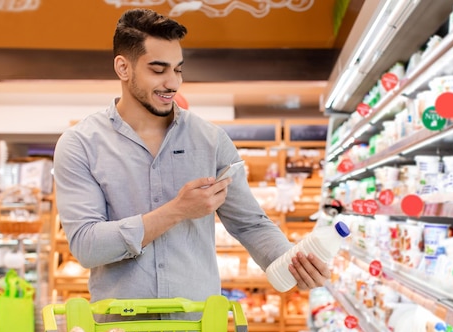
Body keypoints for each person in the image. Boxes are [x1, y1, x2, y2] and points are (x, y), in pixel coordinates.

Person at [52, 8, 330, 304]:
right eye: (158, 70)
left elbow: (249, 223)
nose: (172, 82)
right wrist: (177, 210)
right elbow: (87, 245)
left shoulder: (210, 140)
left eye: (178, 69)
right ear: (123, 68)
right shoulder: (80, 144)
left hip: (197, 331)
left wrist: (290, 264)